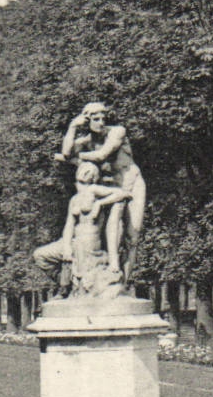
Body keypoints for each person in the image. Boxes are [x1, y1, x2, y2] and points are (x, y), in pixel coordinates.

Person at [58, 102, 146, 277]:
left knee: (132, 236)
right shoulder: (87, 140)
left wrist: (74, 157)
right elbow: (67, 151)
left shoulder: (117, 132)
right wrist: (72, 127)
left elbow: (101, 155)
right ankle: (112, 269)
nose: (101, 122)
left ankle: (126, 283)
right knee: (111, 224)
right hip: (111, 188)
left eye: (102, 118)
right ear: (86, 120)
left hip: (131, 182)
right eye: (95, 119)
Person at [33, 161, 133, 298]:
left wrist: (99, 203)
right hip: (74, 241)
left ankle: (66, 288)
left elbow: (122, 194)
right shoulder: (74, 199)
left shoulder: (94, 190)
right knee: (40, 255)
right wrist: (67, 246)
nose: (85, 172)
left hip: (89, 241)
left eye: (89, 171)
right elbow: (69, 225)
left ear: (93, 176)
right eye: (84, 169)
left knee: (81, 263)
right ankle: (63, 284)